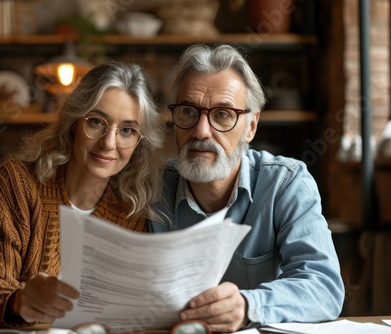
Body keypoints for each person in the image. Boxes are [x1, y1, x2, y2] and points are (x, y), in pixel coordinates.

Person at [148, 44, 345, 332]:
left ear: (251, 126)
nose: (201, 130)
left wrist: (248, 305)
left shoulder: (285, 184)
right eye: (189, 111)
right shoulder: (150, 189)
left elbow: (324, 287)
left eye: (223, 114)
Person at [0, 61, 165, 327]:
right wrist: (18, 301)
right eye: (96, 122)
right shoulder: (18, 184)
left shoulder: (135, 210)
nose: (109, 142)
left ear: (139, 142)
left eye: (127, 130)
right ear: (73, 123)